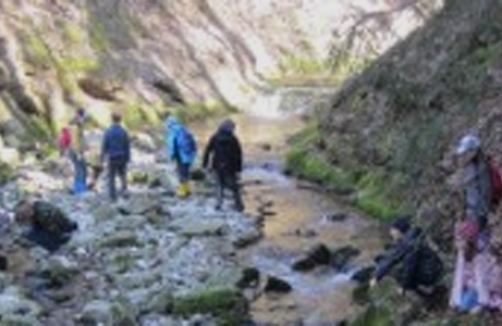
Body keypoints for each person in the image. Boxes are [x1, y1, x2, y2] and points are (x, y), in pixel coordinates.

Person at [369, 217, 444, 297]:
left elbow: (408, 266)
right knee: (399, 269)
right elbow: (393, 257)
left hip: (430, 274)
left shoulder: (409, 244)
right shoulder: (412, 237)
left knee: (397, 273)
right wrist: (377, 276)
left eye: (392, 229)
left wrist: (402, 286)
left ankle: (425, 293)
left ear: (398, 230)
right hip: (437, 269)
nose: (390, 232)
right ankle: (425, 290)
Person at [455, 134, 492, 248]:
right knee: (474, 244)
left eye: (467, 152)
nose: (464, 156)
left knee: (481, 245)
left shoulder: (482, 167)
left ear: (474, 151)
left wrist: (482, 213)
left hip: (479, 213)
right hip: (472, 212)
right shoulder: (471, 167)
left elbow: (486, 191)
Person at [202, 119, 244, 212]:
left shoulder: (215, 137)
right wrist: (239, 169)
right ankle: (239, 205)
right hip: (230, 167)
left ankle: (218, 204)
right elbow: (238, 155)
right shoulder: (233, 139)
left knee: (218, 185)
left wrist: (205, 164)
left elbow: (208, 150)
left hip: (217, 165)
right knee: (234, 187)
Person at [101, 112, 130, 201]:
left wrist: (102, 156)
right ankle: (124, 192)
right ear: (120, 120)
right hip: (122, 156)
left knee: (111, 177)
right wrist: (128, 157)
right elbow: (127, 145)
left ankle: (113, 196)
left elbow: (105, 145)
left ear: (112, 120)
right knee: (123, 175)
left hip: (112, 157)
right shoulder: (124, 132)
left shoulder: (108, 131)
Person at [165, 116, 197, 198]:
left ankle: (182, 192)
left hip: (180, 156)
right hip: (188, 155)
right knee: (186, 172)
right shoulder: (184, 129)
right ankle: (188, 190)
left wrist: (171, 156)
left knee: (181, 173)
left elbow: (172, 145)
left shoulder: (173, 131)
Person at [67, 108, 88, 194]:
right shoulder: (76, 125)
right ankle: (79, 189)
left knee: (81, 168)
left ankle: (80, 187)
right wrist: (79, 152)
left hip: (75, 150)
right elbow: (75, 140)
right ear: (81, 115)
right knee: (80, 169)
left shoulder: (75, 124)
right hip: (76, 150)